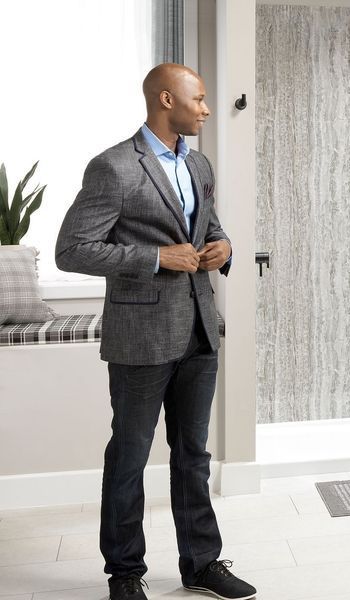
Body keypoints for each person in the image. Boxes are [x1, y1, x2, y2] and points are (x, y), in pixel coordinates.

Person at [55, 64, 256, 600]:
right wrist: (154, 257)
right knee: (130, 456)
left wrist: (225, 247)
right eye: (200, 99)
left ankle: (202, 563)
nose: (207, 109)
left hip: (200, 333)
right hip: (141, 337)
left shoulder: (199, 163)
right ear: (167, 99)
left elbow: (208, 228)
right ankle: (124, 574)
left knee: (194, 454)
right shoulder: (114, 167)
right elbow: (71, 250)